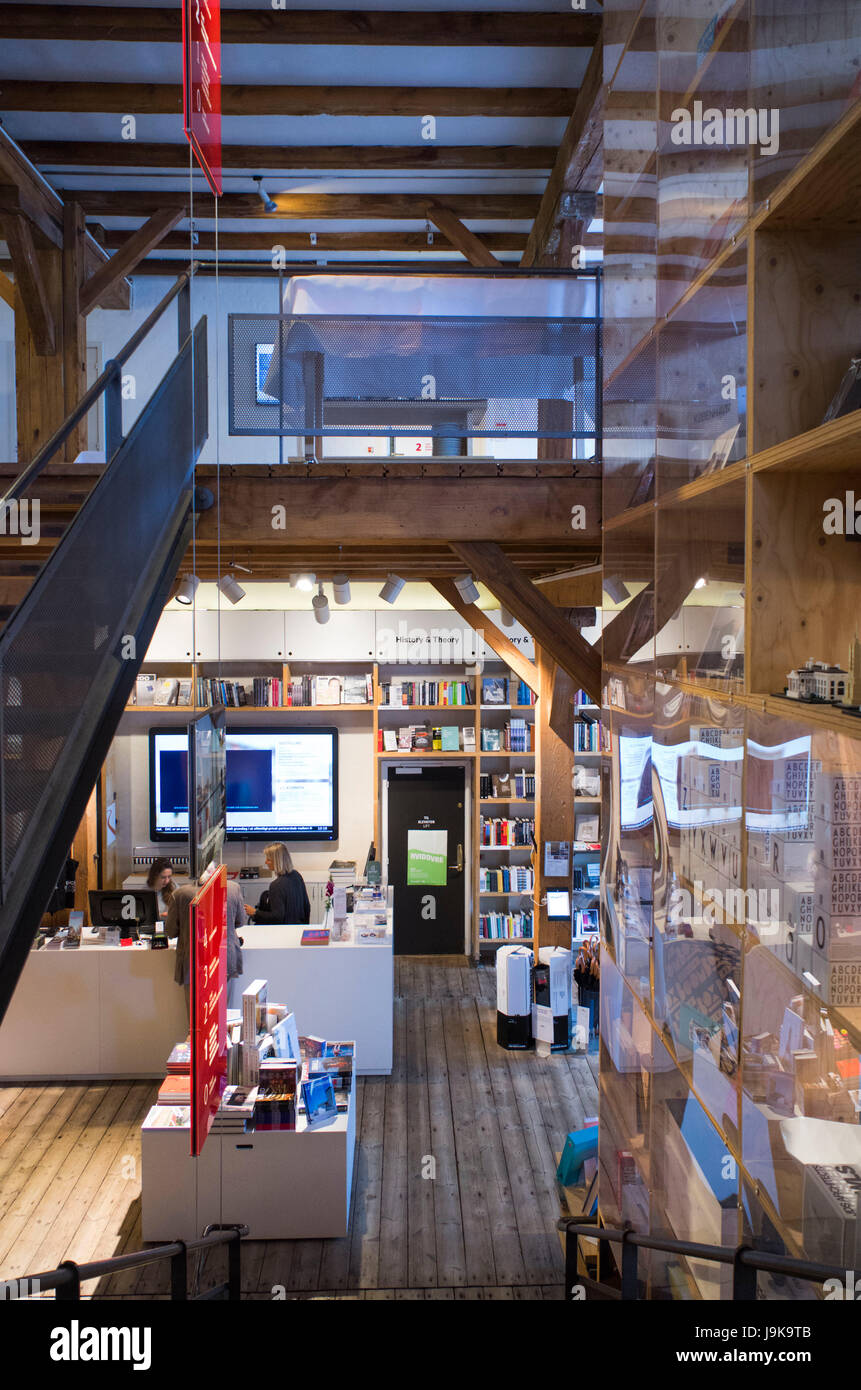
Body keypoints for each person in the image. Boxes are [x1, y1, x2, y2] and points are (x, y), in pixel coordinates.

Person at [165, 864, 246, 1019]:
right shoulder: (233, 888)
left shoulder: (180, 894)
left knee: (196, 1022)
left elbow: (170, 931)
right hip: (225, 959)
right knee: (224, 1018)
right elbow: (240, 921)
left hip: (194, 962)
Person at [250, 843, 311, 925]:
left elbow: (277, 917)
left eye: (268, 859)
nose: (266, 862)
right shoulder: (296, 875)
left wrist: (255, 913)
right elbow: (307, 907)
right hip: (298, 928)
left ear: (277, 861)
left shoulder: (276, 885)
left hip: (283, 932)